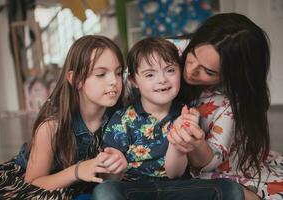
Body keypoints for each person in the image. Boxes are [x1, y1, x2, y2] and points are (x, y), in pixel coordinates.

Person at [92, 37, 245, 200]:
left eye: (170, 70)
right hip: (135, 191)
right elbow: (109, 179)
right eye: (150, 74)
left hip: (177, 189)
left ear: (180, 71)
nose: (162, 79)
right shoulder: (121, 119)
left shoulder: (187, 115)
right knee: (105, 191)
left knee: (230, 189)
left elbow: (175, 174)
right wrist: (115, 167)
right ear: (133, 81)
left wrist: (176, 142)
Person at [0, 35, 127, 199]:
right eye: (101, 74)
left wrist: (117, 170)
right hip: (37, 181)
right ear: (75, 79)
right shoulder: (51, 126)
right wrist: (77, 171)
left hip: (82, 186)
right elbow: (32, 183)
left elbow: (106, 180)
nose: (114, 81)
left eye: (118, 72)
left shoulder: (121, 119)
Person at [167, 13, 283, 200]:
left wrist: (197, 145)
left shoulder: (231, 102)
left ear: (231, 76)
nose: (191, 70)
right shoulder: (165, 53)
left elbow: (210, 160)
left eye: (208, 71)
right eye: (193, 55)